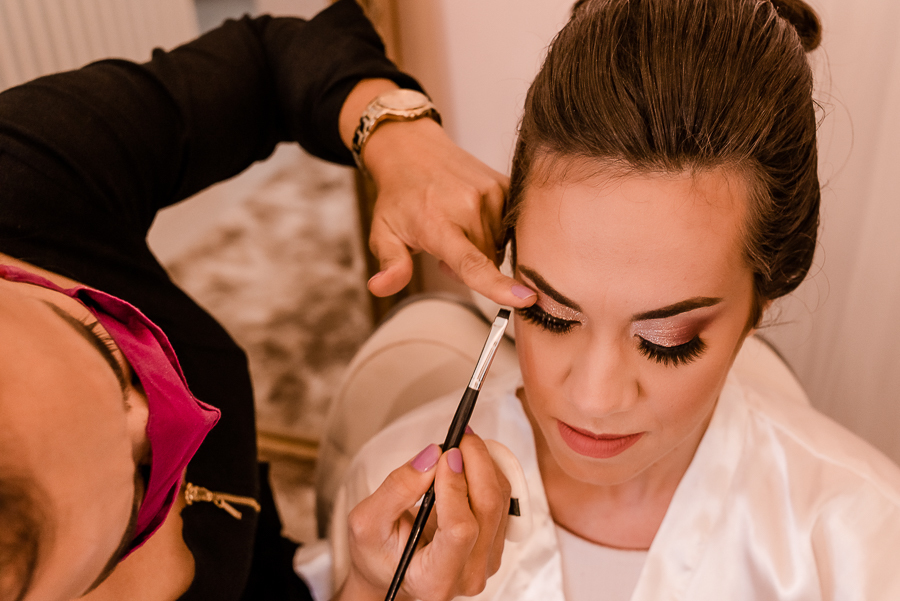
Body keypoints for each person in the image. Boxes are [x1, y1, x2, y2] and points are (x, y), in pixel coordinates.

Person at [330, 0, 900, 599]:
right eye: (550, 314)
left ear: (762, 302)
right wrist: (372, 588)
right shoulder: (393, 501)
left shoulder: (863, 538)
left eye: (666, 341)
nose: (593, 399)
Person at [0, 1, 526, 600]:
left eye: (100, 342)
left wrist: (395, 133)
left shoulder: (18, 177)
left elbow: (264, 62)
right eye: (140, 489)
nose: (177, 416)